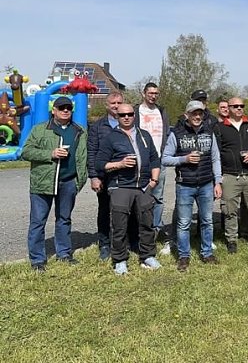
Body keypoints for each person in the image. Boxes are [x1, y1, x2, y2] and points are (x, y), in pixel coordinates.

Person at [22, 96, 88, 271]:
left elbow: (83, 157)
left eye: (68, 108)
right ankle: (37, 260)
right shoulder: (40, 129)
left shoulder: (79, 130)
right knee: (37, 222)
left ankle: (64, 254)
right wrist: (50, 154)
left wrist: (79, 181)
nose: (65, 110)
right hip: (43, 182)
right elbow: (26, 152)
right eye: (61, 108)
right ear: (54, 110)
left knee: (64, 220)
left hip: (68, 182)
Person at [95, 103, 162, 274]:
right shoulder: (111, 137)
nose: (126, 117)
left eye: (130, 114)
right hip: (120, 186)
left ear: (134, 116)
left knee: (147, 224)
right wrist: (120, 164)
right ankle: (120, 260)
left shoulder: (144, 135)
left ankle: (147, 256)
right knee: (119, 226)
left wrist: (153, 181)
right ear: (117, 117)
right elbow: (100, 164)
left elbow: (154, 159)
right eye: (123, 115)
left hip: (143, 186)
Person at [162, 100, 222, 271]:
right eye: (194, 113)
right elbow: (165, 159)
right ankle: (183, 256)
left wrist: (218, 181)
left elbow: (215, 158)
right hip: (185, 185)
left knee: (207, 220)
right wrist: (184, 159)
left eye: (200, 113)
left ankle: (207, 252)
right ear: (186, 115)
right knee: (183, 223)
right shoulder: (176, 134)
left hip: (205, 184)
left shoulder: (209, 133)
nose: (197, 116)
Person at [215, 97, 248, 253]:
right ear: (228, 108)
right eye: (235, 106)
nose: (239, 108)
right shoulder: (220, 127)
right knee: (230, 210)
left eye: (241, 106)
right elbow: (215, 152)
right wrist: (218, 176)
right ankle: (231, 239)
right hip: (230, 175)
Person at [87, 90, 124, 260]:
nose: (116, 106)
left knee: (125, 210)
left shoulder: (129, 123)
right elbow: (92, 151)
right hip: (104, 175)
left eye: (119, 103)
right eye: (113, 103)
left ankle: (124, 242)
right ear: (107, 105)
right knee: (104, 211)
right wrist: (94, 176)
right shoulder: (98, 127)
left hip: (125, 175)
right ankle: (104, 244)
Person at [134, 82, 170, 240]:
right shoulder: (136, 111)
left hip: (159, 160)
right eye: (150, 93)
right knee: (138, 195)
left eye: (156, 93)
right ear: (144, 93)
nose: (153, 96)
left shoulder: (161, 111)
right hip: (141, 160)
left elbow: (167, 133)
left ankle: (156, 228)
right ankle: (138, 229)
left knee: (158, 197)